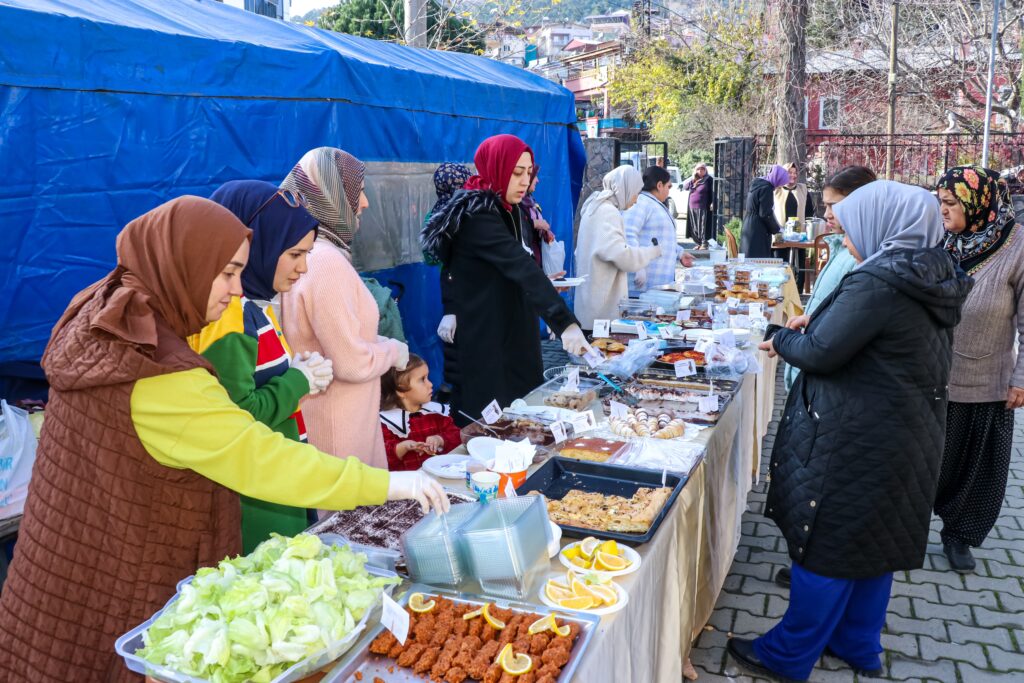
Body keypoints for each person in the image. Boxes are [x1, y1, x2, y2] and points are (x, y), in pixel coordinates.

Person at [0, 197, 448, 683]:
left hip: (60, 562)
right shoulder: (157, 373)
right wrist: (391, 485)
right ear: (183, 264)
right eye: (227, 273)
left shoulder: (104, 310)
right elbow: (262, 460)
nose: (237, 291)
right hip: (118, 579)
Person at [730, 181, 971, 682]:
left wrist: (778, 337)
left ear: (884, 225)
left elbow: (821, 352)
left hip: (862, 434)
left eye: (852, 221)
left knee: (827, 544)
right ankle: (858, 644)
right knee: (872, 541)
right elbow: (852, 339)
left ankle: (788, 655)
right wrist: (814, 331)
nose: (843, 230)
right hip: (905, 433)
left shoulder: (880, 280)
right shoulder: (927, 269)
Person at [189, 180, 327, 552]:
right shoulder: (227, 316)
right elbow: (237, 418)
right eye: (295, 254)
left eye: (307, 255)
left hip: (276, 477)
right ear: (257, 244)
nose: (303, 268)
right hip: (256, 499)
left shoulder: (254, 305)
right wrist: (297, 382)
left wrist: (292, 372)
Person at [421, 134, 587, 424]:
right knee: (494, 423)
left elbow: (510, 267)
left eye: (529, 173)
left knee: (522, 415)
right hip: (489, 339)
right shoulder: (478, 215)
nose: (525, 181)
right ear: (496, 167)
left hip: (513, 329)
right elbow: (519, 264)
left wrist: (545, 284)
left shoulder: (510, 209)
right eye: (517, 173)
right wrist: (565, 323)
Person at [280, 147, 409, 471]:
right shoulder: (324, 261)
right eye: (357, 192)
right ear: (330, 195)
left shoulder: (312, 254)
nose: (364, 202)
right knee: (342, 517)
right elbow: (350, 363)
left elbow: (339, 341)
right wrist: (393, 350)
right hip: (338, 430)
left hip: (333, 420)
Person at [932, 165, 1024, 573]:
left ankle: (959, 535)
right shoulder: (942, 242)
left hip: (985, 380)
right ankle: (909, 525)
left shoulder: (1018, 247)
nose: (943, 212)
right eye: (940, 203)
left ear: (977, 202)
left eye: (950, 204)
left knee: (974, 469)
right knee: (927, 461)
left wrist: (1021, 379)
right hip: (929, 376)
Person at [782, 166, 877, 394]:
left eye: (834, 205)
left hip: (821, 384)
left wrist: (784, 342)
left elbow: (846, 327)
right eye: (826, 205)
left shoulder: (860, 256)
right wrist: (812, 318)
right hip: (809, 377)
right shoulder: (844, 248)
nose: (827, 213)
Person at [573, 165, 662, 330]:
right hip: (600, 311)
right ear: (624, 188)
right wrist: (651, 252)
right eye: (636, 192)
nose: (636, 200)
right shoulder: (607, 212)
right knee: (600, 353)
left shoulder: (595, 206)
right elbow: (623, 257)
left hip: (590, 303)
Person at [430, 162, 473, 403]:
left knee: (454, 344)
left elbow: (430, 257)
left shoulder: (436, 213)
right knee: (460, 346)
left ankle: (454, 394)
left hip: (449, 290)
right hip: (457, 293)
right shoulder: (460, 215)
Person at [380, 354, 462, 471]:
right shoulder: (387, 423)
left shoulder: (436, 413)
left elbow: (457, 436)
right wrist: (403, 447)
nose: (430, 384)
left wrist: (440, 439)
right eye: (422, 380)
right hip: (408, 486)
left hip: (439, 480)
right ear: (401, 390)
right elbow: (381, 460)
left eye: (427, 377)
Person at [625, 165, 695, 294]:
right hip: (643, 286)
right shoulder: (641, 203)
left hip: (658, 285)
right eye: (668, 186)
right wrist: (638, 267)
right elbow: (628, 233)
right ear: (659, 185)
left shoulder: (654, 203)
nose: (669, 191)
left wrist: (679, 253)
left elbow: (663, 238)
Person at [773, 162, 817, 290]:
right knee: (781, 262)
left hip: (799, 234)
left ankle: (798, 290)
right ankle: (780, 289)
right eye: (789, 172)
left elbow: (809, 210)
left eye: (794, 172)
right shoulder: (776, 190)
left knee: (799, 262)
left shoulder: (802, 189)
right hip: (780, 234)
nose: (793, 175)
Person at [741, 164, 789, 257]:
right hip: (757, 229)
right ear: (778, 179)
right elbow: (765, 213)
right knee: (757, 262)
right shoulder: (766, 189)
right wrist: (777, 229)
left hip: (750, 225)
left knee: (749, 261)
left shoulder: (759, 184)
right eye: (781, 183)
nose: (780, 186)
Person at [522, 164, 557, 268]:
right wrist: (535, 224)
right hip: (526, 262)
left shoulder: (530, 201)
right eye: (534, 176)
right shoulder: (517, 204)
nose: (537, 180)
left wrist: (545, 232)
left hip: (535, 261)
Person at [682, 161, 715, 249]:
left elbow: (713, 192)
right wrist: (693, 179)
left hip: (702, 206)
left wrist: (712, 202)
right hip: (692, 206)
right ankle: (698, 243)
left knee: (702, 226)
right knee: (694, 226)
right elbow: (685, 187)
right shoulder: (693, 180)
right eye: (698, 169)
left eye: (703, 169)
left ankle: (704, 243)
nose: (700, 171)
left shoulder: (709, 180)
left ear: (705, 170)